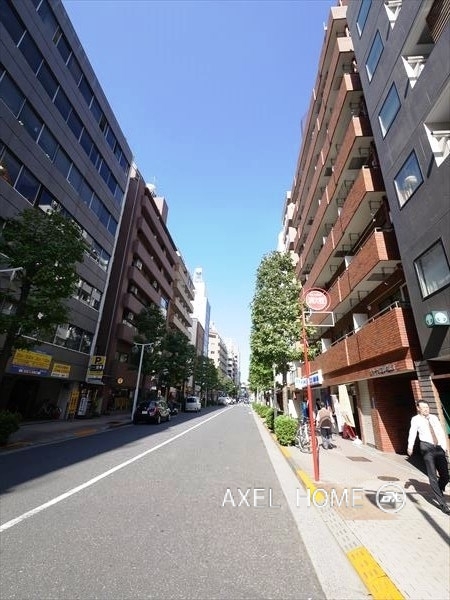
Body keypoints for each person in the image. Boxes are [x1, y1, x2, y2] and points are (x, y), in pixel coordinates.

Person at [407, 400, 450, 515]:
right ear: (418, 408)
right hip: (426, 447)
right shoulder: (415, 419)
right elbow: (412, 433)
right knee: (432, 475)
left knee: (445, 475)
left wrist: (444, 446)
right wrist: (410, 446)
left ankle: (439, 489)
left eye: (427, 407)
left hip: (438, 447)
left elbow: (440, 431)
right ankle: (442, 504)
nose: (426, 409)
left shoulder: (434, 418)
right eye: (423, 407)